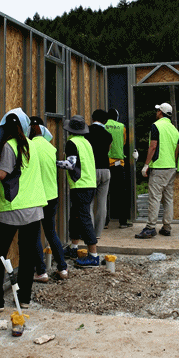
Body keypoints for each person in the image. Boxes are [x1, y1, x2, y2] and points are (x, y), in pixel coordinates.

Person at [0, 108, 47, 311]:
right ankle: (24, 298)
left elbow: (3, 174)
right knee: (27, 256)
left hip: (14, 209)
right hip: (34, 208)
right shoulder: (32, 144)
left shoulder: (10, 146)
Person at [29, 116, 69, 282]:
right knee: (51, 233)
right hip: (52, 195)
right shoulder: (50, 147)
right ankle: (63, 268)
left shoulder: (29, 146)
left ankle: (41, 272)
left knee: (35, 235)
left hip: (36, 196)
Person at [58, 115, 101, 268]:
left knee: (83, 218)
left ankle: (93, 256)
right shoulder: (85, 142)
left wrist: (53, 162)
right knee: (76, 217)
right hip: (89, 184)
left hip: (81, 185)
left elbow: (70, 165)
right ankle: (74, 248)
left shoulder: (72, 143)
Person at [136, 103, 179, 239]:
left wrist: (146, 165)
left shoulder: (156, 126)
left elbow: (153, 146)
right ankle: (167, 227)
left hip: (159, 167)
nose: (156, 112)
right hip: (171, 168)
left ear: (161, 112)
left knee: (154, 198)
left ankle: (150, 227)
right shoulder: (174, 129)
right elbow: (176, 149)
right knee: (168, 199)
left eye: (158, 110)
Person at [86, 109, 113, 238]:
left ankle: (90, 233)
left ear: (92, 118)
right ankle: (98, 233)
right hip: (106, 170)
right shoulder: (108, 135)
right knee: (102, 203)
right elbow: (108, 150)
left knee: (90, 203)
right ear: (105, 121)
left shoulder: (86, 132)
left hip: (92, 170)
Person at [105, 108, 131, 228]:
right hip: (118, 164)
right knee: (121, 194)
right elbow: (124, 142)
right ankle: (123, 222)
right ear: (117, 117)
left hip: (106, 163)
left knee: (104, 194)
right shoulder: (122, 127)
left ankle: (105, 222)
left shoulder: (104, 126)